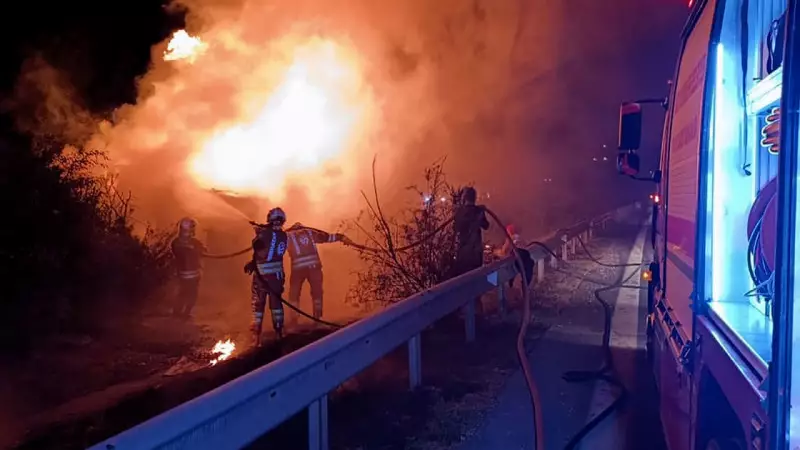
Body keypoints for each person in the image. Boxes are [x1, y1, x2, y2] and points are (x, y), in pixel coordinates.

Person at [285, 223, 350, 326]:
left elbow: (274, 246)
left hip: (298, 270)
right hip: (314, 268)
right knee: (317, 293)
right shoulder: (310, 232)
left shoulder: (287, 236)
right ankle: (318, 318)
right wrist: (341, 237)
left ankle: (294, 320)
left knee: (294, 294)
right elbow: (327, 237)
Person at [244, 207, 289, 346]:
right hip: (276, 277)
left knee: (258, 305)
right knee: (276, 306)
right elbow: (268, 251)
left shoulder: (265, 234)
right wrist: (253, 262)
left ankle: (256, 338)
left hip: (262, 278)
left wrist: (259, 232)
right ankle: (279, 333)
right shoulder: (283, 235)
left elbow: (257, 246)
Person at [171, 217, 207, 318]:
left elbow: (203, 250)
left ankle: (181, 313)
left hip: (188, 274)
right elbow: (179, 252)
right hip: (189, 275)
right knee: (189, 294)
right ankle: (181, 313)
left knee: (184, 294)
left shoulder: (178, 242)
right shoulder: (182, 243)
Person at [453, 186, 490, 277]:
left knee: (463, 277)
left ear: (464, 198)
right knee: (476, 275)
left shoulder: (459, 211)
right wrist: (481, 211)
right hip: (476, 251)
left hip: (462, 250)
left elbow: (455, 228)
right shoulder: (478, 211)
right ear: (475, 198)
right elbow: (486, 226)